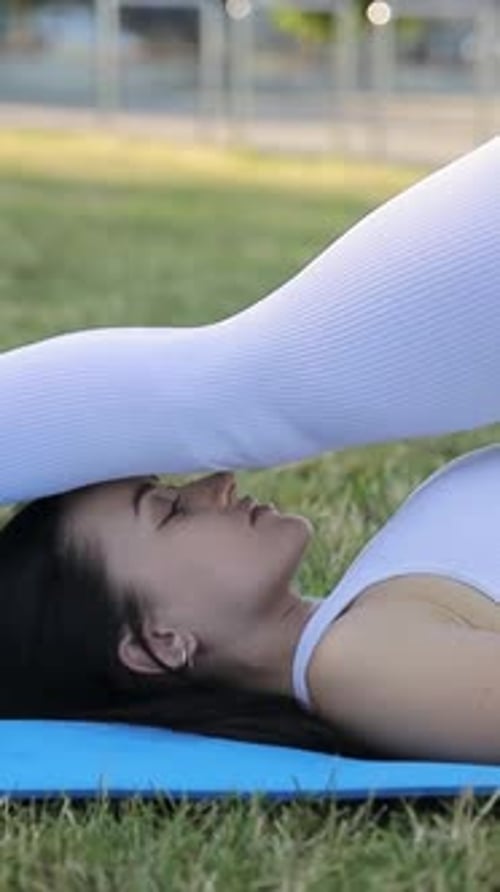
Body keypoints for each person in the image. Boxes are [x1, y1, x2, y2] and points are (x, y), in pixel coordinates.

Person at [0, 138, 498, 762]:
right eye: (170, 512)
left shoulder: (358, 634)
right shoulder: (358, 669)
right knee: (234, 391)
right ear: (158, 641)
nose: (216, 483)